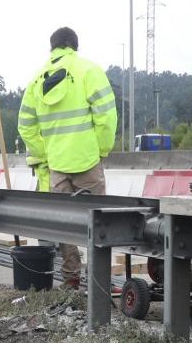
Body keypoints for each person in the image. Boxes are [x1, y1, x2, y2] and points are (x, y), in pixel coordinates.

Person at [17, 26, 117, 289]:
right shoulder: (89, 71)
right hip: (87, 160)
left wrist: (44, 153)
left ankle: (71, 278)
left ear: (52, 48)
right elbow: (107, 116)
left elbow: (25, 126)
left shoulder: (37, 79)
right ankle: (99, 281)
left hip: (56, 165)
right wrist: (101, 150)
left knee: (64, 226)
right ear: (75, 46)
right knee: (98, 222)